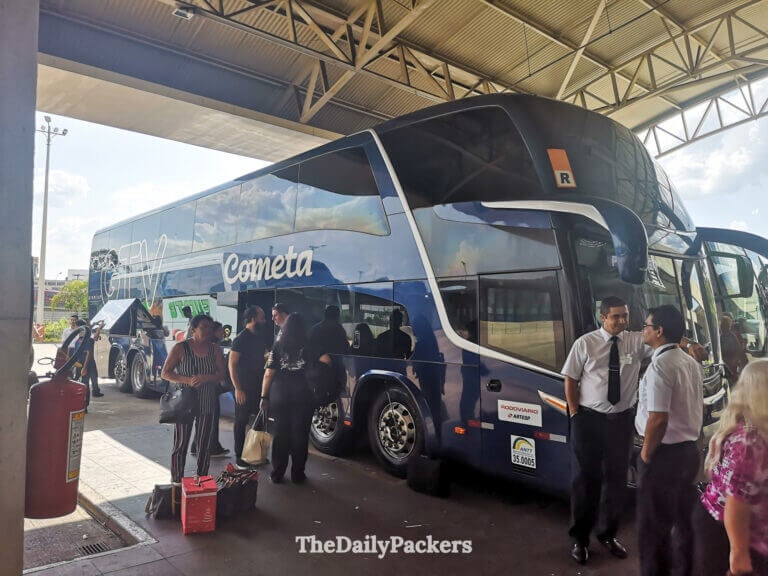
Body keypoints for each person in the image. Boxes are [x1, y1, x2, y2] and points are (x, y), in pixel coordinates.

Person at [561, 296, 653, 565]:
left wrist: (687, 344)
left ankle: (608, 534)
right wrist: (575, 413)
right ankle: (580, 539)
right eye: (616, 317)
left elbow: (661, 342)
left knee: (616, 480)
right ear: (603, 317)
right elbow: (570, 379)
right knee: (585, 480)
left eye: (625, 316)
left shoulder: (636, 341)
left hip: (621, 421)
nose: (622, 321)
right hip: (588, 420)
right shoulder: (585, 343)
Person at [635, 305, 704, 576]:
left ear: (659, 331)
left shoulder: (660, 366)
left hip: (663, 455)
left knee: (653, 528)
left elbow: (658, 419)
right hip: (689, 451)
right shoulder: (689, 361)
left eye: (646, 325)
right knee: (683, 520)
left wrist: (645, 456)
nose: (643, 330)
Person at [693, 360, 768, 576]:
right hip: (727, 532)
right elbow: (736, 501)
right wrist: (739, 554)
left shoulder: (753, 427)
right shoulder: (750, 443)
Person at [259, 313, 330, 483]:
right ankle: (298, 474)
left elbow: (269, 373)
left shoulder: (278, 345)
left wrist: (264, 396)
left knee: (281, 433)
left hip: (280, 394)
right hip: (303, 395)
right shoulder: (311, 344)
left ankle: (277, 473)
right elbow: (326, 360)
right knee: (300, 434)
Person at [161, 314, 227, 483]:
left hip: (207, 402)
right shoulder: (181, 348)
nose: (207, 331)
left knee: (204, 445)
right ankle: (176, 481)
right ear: (193, 328)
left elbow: (221, 373)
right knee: (181, 444)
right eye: (203, 327)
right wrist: (187, 380)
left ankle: (202, 480)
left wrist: (206, 378)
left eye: (210, 328)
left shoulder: (215, 350)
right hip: (185, 403)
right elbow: (165, 372)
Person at [229, 306, 269, 468]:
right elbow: (231, 365)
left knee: (259, 420)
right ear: (253, 318)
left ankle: (255, 454)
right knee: (241, 421)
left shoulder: (259, 337)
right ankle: (239, 456)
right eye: (262, 317)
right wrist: (238, 388)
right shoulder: (240, 339)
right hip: (243, 387)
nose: (265, 321)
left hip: (258, 386)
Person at [190, 321, 230, 459]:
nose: (222, 333)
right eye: (219, 330)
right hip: (209, 388)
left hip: (208, 387)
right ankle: (210, 447)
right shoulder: (212, 348)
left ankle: (198, 445)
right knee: (211, 417)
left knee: (204, 418)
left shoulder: (211, 347)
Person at [720, 313, 749, 380]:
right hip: (730, 363)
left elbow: (738, 349)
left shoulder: (725, 336)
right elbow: (738, 348)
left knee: (732, 379)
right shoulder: (731, 335)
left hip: (728, 363)